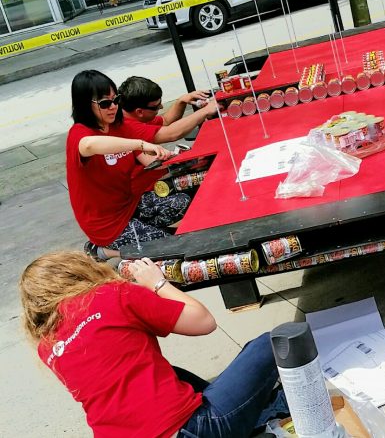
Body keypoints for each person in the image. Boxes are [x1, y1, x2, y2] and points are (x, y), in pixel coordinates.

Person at [19, 251, 288, 437]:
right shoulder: (110, 295)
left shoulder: (48, 347)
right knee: (273, 342)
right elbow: (204, 321)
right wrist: (157, 282)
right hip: (193, 430)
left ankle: (253, 416)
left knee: (170, 374)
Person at [66, 70, 217, 261]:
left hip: (132, 204)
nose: (113, 107)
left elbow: (164, 133)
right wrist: (139, 144)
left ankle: (142, 241)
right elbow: (89, 145)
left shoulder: (119, 124)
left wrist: (183, 159)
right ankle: (107, 249)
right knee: (178, 250)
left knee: (184, 202)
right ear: (85, 105)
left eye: (115, 100)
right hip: (108, 225)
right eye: (105, 103)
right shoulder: (79, 134)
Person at [118, 76, 212, 133]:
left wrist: (181, 100)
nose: (162, 107)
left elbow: (166, 121)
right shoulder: (131, 127)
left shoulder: (137, 117)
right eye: (156, 106)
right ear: (139, 112)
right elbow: (172, 133)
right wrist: (206, 111)